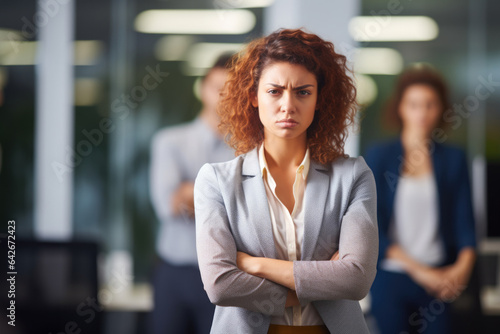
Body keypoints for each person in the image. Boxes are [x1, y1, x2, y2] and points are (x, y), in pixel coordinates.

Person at [194, 28, 378, 334]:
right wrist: (316, 282)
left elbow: (356, 279)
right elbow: (220, 285)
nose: (288, 105)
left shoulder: (353, 176)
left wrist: (255, 265)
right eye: (274, 91)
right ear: (253, 96)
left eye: (303, 91)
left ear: (320, 99)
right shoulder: (217, 181)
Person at [365, 64, 477, 334]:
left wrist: (460, 271)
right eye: (413, 104)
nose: (422, 113)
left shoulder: (453, 159)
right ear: (400, 108)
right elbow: (372, 227)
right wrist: (421, 272)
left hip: (441, 277)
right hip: (393, 276)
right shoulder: (379, 157)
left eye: (430, 105)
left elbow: (465, 223)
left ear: (441, 109)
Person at [149, 54, 235, 334]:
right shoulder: (170, 141)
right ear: (202, 88)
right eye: (216, 88)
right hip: (174, 271)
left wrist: (192, 191)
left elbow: (249, 214)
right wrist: (225, 199)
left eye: (231, 90)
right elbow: (169, 205)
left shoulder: (247, 151)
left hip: (225, 275)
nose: (223, 97)